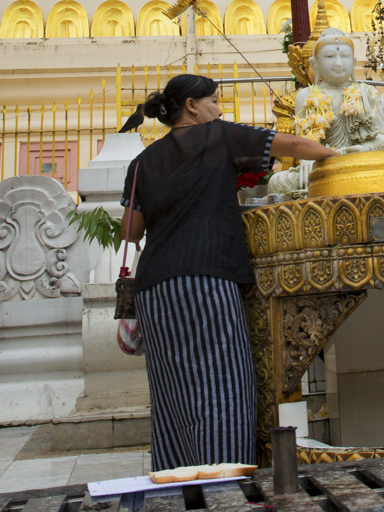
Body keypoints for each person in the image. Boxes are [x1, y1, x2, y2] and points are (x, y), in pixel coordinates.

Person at [120, 74, 338, 469]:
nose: (219, 109)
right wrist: (339, 156)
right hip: (206, 277)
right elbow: (291, 145)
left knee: (172, 392)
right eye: (215, 101)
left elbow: (130, 231)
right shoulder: (216, 135)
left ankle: (179, 480)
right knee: (223, 384)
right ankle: (224, 482)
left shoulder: (141, 162)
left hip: (154, 288)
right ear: (192, 105)